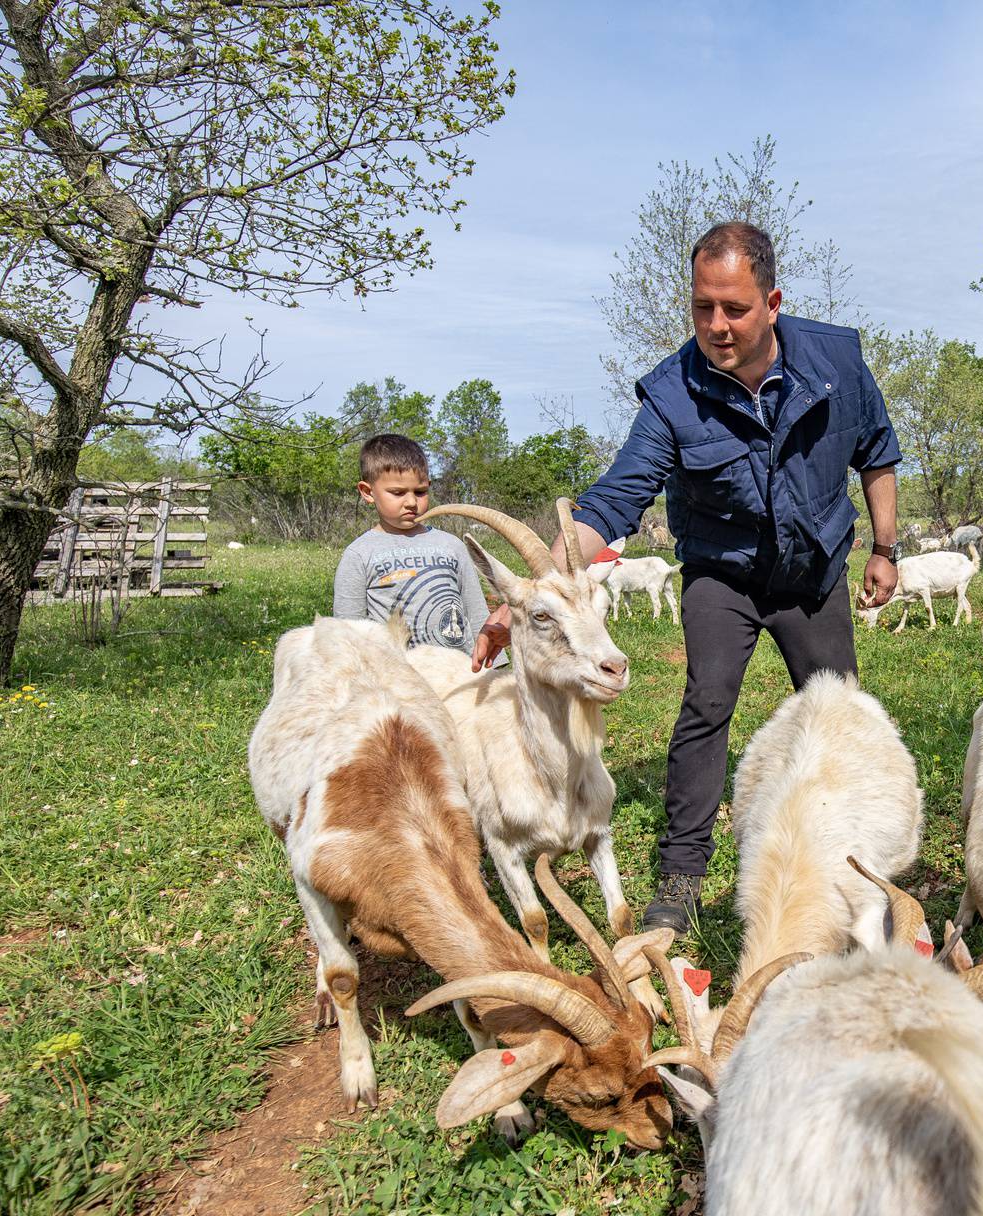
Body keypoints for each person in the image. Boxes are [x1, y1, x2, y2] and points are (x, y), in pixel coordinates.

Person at [472, 221, 903, 935]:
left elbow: (877, 451)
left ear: (772, 300)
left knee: (840, 714)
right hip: (722, 575)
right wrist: (529, 591)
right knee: (705, 702)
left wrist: (886, 547)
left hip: (812, 570)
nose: (717, 325)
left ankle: (857, 863)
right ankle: (680, 872)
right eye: (703, 307)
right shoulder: (674, 394)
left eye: (734, 308)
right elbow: (613, 501)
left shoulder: (836, 361)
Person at [333, 433, 489, 651]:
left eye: (421, 491)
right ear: (368, 492)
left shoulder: (452, 546)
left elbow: (476, 611)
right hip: (396, 678)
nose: (411, 502)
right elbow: (347, 631)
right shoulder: (359, 554)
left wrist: (492, 663)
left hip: (458, 675)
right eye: (397, 493)